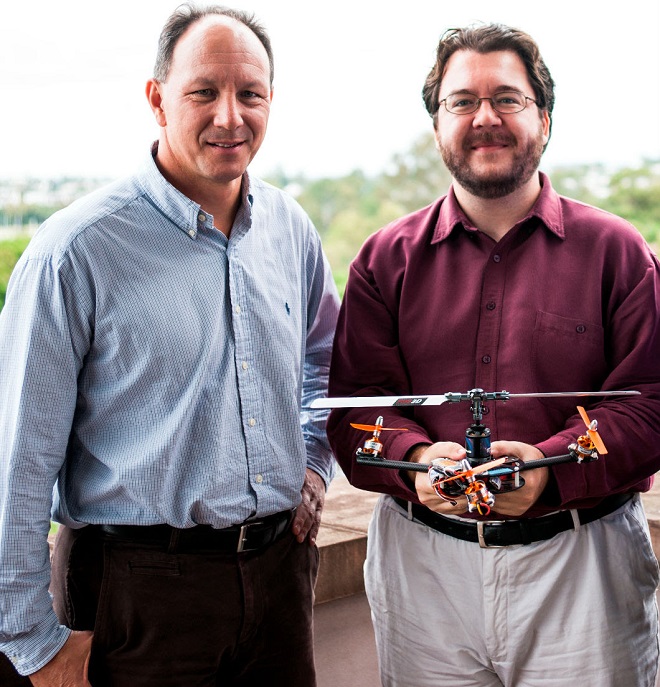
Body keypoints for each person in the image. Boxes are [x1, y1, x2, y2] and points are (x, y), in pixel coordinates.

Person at [0, 4, 339, 686]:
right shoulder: (75, 251)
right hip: (137, 594)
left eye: (250, 94)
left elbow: (324, 363)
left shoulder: (289, 227)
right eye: (203, 92)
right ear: (157, 99)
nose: (229, 117)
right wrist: (31, 640)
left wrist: (313, 462)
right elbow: (19, 459)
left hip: (278, 581)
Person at [326, 23, 660, 687]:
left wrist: (549, 465)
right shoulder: (383, 259)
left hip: (582, 566)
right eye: (462, 102)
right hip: (423, 572)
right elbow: (353, 414)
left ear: (544, 117)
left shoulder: (618, 251)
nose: (485, 119)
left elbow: (651, 408)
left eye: (507, 98)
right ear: (437, 124)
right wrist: (418, 460)